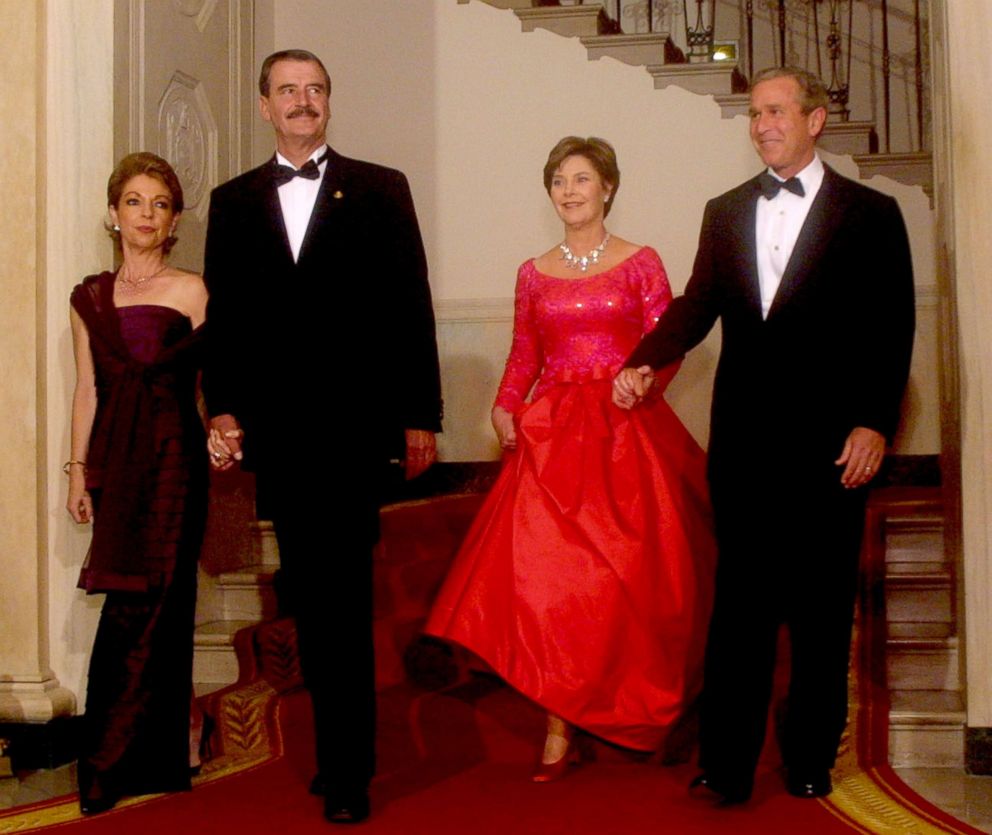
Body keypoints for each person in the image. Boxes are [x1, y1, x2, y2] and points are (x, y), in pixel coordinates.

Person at [614, 67, 916, 803]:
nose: (762, 124)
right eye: (755, 113)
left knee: (818, 612)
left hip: (832, 450)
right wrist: (646, 359)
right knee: (740, 613)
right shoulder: (724, 210)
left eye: (776, 111)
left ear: (815, 120)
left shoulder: (873, 213)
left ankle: (810, 757)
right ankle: (726, 763)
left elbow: (891, 327)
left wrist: (874, 421)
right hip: (745, 448)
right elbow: (699, 302)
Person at [426, 136, 715, 782]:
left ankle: (627, 703)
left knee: (624, 582)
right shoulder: (533, 271)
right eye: (559, 180)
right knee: (550, 586)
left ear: (607, 187)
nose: (570, 190)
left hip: (624, 433)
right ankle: (560, 721)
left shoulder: (641, 262)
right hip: (553, 437)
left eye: (582, 179)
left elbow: (669, 342)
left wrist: (644, 379)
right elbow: (525, 350)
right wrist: (504, 405)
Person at [202, 49, 442, 825]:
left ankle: (349, 772)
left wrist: (421, 415)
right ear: (265, 106)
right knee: (308, 597)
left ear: (328, 103)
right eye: (288, 91)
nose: (304, 102)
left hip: (354, 431)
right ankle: (339, 752)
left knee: (341, 601)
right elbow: (226, 321)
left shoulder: (379, 187)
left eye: (316, 90)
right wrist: (225, 408)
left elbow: (412, 302)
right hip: (281, 435)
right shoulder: (232, 200)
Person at [66, 152, 208, 814]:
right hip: (117, 466)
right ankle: (112, 754)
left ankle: (163, 745)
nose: (146, 213)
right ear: (113, 212)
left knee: (164, 605)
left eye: (159, 203)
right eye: (135, 200)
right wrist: (76, 472)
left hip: (177, 461)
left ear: (173, 218)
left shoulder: (193, 290)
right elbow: (86, 389)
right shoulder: (89, 297)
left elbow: (211, 384)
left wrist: (224, 433)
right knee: (124, 608)